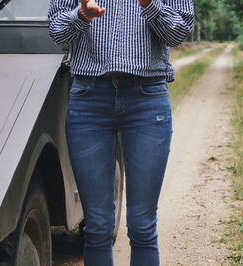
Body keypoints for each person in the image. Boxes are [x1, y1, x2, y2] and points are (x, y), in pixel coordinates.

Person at [47, 0, 193, 265]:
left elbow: (178, 33)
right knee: (98, 228)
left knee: (142, 226)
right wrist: (81, 15)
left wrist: (150, 5)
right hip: (89, 98)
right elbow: (56, 30)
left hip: (147, 98)